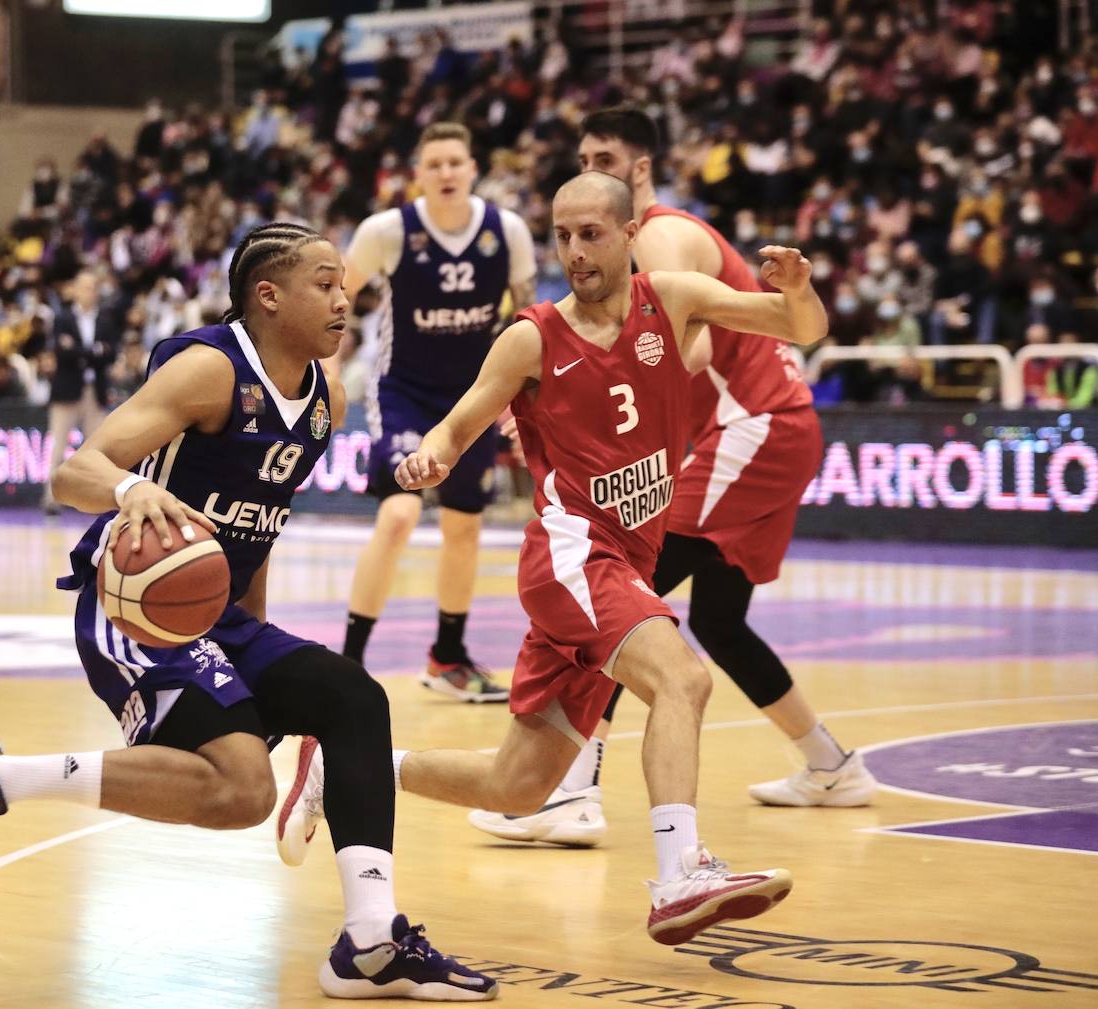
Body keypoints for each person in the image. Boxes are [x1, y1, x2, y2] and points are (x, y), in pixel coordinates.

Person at [0, 223, 499, 1002]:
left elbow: (255, 536)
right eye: (323, 283)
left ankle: (370, 938)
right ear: (268, 295)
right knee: (245, 791)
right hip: (132, 609)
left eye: (345, 284)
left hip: (220, 617)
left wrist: (256, 660)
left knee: (353, 697)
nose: (342, 297)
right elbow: (72, 470)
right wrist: (131, 489)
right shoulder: (208, 371)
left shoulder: (328, 399)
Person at [280, 174, 826, 947]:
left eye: (591, 234)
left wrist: (798, 288)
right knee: (684, 676)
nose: (574, 251)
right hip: (574, 556)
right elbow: (461, 420)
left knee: (520, 783)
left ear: (631, 233)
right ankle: (681, 874)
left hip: (616, 567)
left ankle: (342, 766)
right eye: (562, 236)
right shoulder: (534, 335)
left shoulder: (669, 298)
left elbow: (798, 325)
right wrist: (429, 458)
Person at [469, 107, 876, 848]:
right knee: (716, 620)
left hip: (750, 424)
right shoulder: (632, 242)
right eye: (582, 155)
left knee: (628, 591)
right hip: (772, 426)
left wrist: (565, 394)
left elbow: (668, 353)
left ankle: (572, 788)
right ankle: (831, 764)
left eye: (605, 157)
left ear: (640, 173)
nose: (590, 167)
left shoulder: (655, 238)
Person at [338, 122, 537, 701]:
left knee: (464, 526)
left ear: (473, 168)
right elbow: (338, 299)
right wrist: (324, 370)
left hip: (475, 396)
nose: (447, 172)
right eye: (435, 164)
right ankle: (349, 662)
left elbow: (527, 320)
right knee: (398, 516)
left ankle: (447, 657)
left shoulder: (510, 232)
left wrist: (526, 401)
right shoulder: (387, 231)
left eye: (456, 162)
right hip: (404, 391)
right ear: (418, 174)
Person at [43, 271, 121, 513]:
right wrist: (93, 351)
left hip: (94, 392)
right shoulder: (62, 318)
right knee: (57, 446)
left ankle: (100, 503)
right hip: (66, 391)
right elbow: (62, 352)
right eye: (86, 287)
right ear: (75, 290)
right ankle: (50, 500)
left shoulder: (105, 320)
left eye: (94, 287)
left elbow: (111, 354)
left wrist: (80, 350)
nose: (91, 292)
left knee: (99, 450)